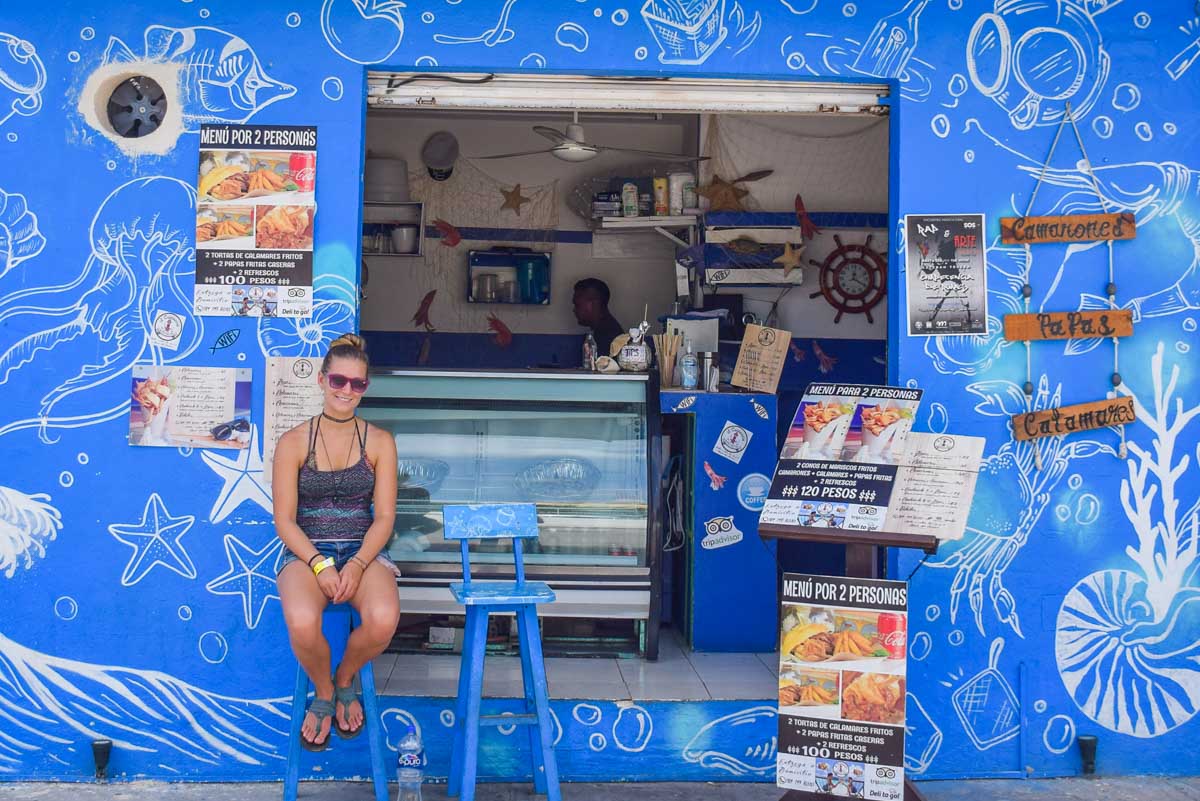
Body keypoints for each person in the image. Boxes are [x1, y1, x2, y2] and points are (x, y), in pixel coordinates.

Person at [272, 333, 400, 752]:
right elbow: (284, 520)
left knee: (382, 619)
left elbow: (384, 518)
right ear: (322, 380)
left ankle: (345, 677)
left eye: (357, 384)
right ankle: (324, 691)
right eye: (339, 381)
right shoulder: (292, 442)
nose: (347, 391)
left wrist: (359, 563)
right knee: (303, 623)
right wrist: (320, 564)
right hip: (307, 554)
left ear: (366, 387)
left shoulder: (380, 442)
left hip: (363, 552)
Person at [572, 277, 624, 358]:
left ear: (591, 304)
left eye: (577, 305)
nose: (574, 310)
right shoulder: (602, 330)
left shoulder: (608, 335)